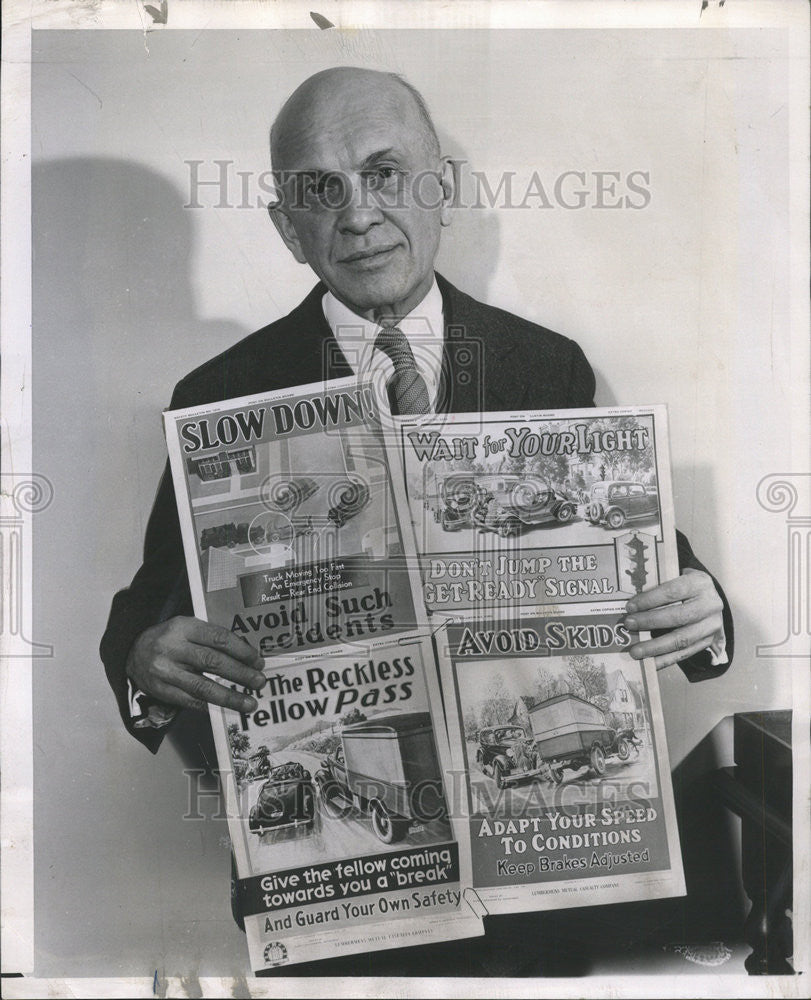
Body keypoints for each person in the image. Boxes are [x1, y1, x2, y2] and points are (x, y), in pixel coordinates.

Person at [100, 66, 733, 972]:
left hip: (531, 895)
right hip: (336, 898)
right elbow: (149, 611)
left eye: (385, 173)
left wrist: (700, 611)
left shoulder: (543, 366)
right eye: (321, 190)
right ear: (287, 228)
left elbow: (637, 553)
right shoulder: (221, 395)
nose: (357, 214)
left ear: (442, 188)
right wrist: (146, 661)